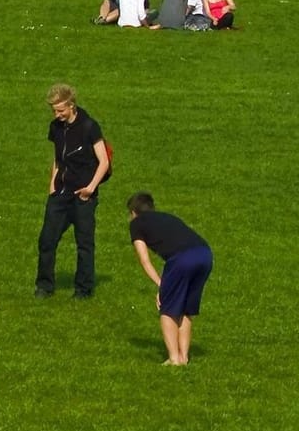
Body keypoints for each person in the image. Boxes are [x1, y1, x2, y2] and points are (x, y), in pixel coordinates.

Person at [37, 83, 110, 299]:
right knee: (47, 240)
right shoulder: (56, 128)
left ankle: (83, 289)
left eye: (60, 110)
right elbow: (58, 158)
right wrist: (52, 184)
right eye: (54, 110)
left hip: (83, 194)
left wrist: (90, 188)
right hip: (60, 193)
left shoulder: (89, 127)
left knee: (84, 243)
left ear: (71, 106)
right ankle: (44, 285)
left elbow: (103, 161)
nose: (57, 115)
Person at [127, 192, 213, 366]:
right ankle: (184, 357)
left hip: (182, 259)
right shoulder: (167, 216)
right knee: (186, 309)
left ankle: (174, 358)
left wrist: (161, 285)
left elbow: (144, 260)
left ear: (134, 212)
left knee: (168, 309)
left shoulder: (136, 224)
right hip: (205, 254)